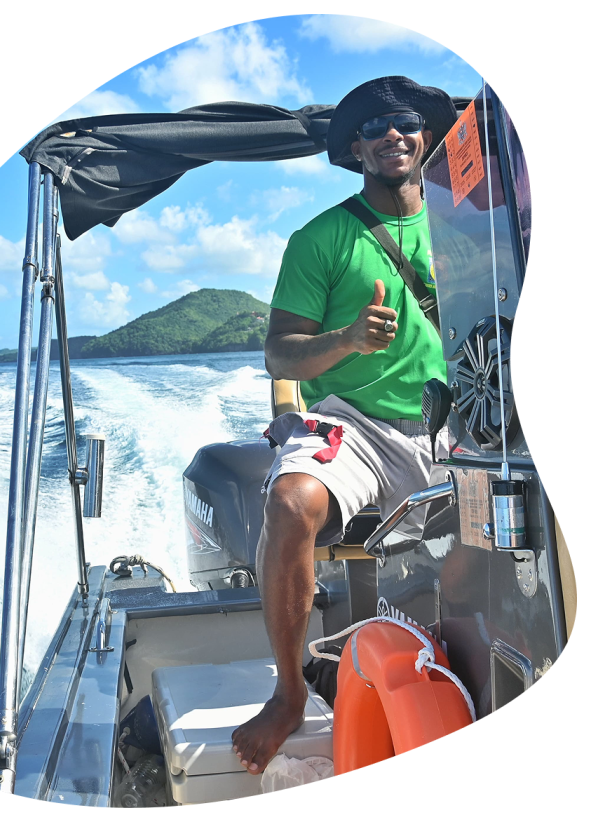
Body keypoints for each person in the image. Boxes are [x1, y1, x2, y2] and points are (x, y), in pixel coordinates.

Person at [231, 76, 458, 774]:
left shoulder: (472, 222)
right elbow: (279, 351)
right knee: (290, 501)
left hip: (463, 417)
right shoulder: (320, 239)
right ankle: (291, 690)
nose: (394, 133)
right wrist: (347, 340)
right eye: (375, 127)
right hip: (355, 424)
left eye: (406, 121)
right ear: (356, 149)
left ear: (426, 138)